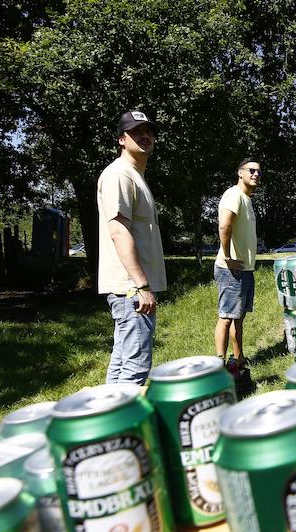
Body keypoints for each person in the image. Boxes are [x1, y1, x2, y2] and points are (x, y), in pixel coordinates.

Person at [97, 110, 167, 385]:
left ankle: (109, 422)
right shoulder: (120, 175)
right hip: (131, 289)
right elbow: (118, 230)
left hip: (130, 289)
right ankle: (125, 427)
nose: (145, 136)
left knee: (122, 363)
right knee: (135, 369)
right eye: (137, 132)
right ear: (121, 139)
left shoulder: (134, 175)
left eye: (148, 131)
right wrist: (142, 285)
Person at [214, 158, 260, 382]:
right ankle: (218, 365)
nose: (256, 174)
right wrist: (228, 257)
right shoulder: (233, 194)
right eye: (251, 170)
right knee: (226, 317)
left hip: (245, 269)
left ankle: (238, 358)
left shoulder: (247, 199)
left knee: (238, 317)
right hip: (230, 269)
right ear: (240, 173)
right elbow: (225, 225)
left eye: (258, 172)